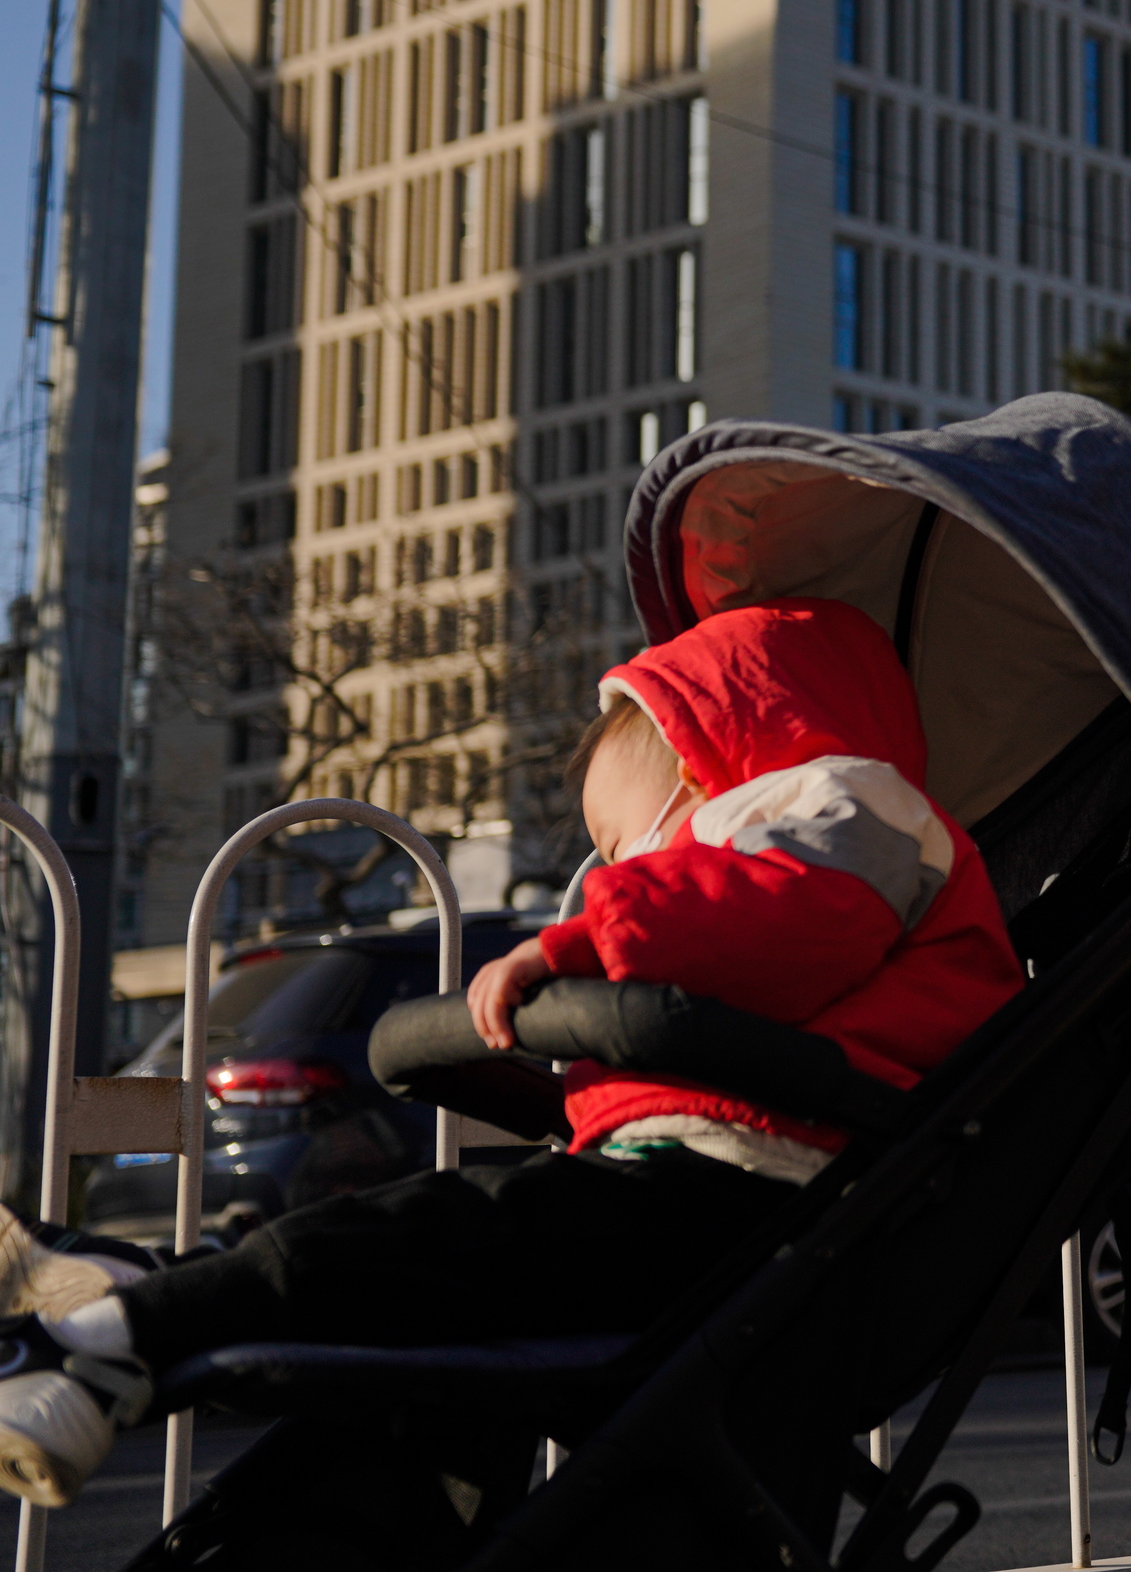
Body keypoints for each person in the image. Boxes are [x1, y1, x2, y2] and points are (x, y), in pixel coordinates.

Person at [0, 597, 1025, 1507]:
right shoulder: (823, 819)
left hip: (750, 1199)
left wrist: (583, 942)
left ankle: (121, 1335)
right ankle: (161, 1286)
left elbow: (777, 923)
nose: (611, 874)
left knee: (426, 1237)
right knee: (424, 1272)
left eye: (624, 847)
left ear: (719, 759)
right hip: (710, 1187)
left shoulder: (852, 802)